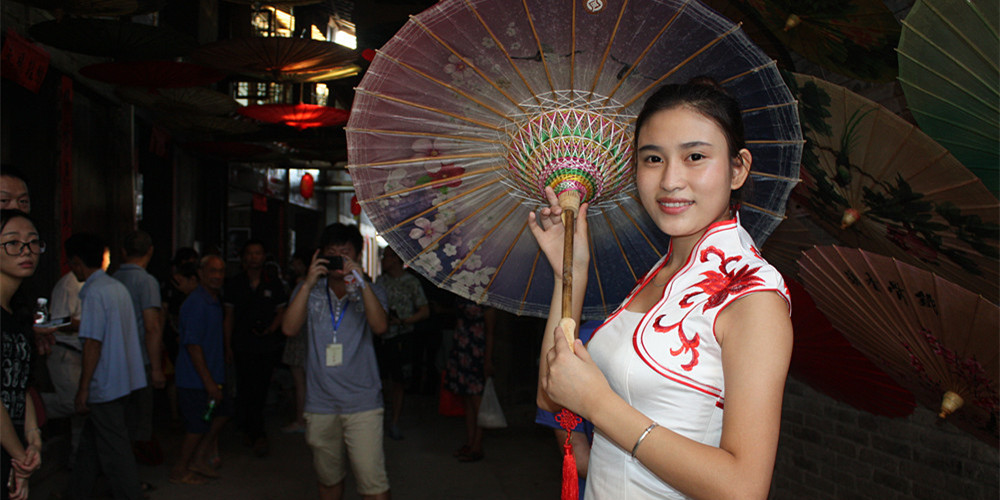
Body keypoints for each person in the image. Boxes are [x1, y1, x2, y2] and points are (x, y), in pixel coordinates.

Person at [531, 79, 793, 499]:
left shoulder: (751, 298)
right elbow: (552, 395)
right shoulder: (658, 275)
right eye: (653, 158)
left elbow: (744, 488)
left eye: (695, 156)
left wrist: (599, 406)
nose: (671, 180)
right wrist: (572, 274)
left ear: (738, 168)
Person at [281, 223, 391, 500]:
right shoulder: (309, 291)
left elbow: (380, 327)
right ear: (320, 255)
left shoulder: (372, 291)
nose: (338, 259)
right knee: (328, 481)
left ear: (357, 256)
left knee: (373, 485)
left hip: (363, 402)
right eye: (332, 253)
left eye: (345, 253)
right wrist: (307, 282)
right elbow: (289, 329)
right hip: (320, 403)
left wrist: (360, 281)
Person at [66, 232, 148, 500]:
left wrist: (83, 389)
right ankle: (77, 491)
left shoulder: (94, 293)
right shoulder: (115, 288)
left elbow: (93, 343)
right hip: (124, 382)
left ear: (78, 262)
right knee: (92, 445)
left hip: (107, 385)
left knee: (115, 451)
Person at [170, 254, 231, 485]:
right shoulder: (195, 303)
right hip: (195, 379)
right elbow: (193, 346)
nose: (217, 276)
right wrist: (208, 382)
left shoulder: (213, 300)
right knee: (196, 426)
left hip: (212, 374)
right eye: (212, 271)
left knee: (223, 414)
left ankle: (198, 459)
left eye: (221, 271)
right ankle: (180, 469)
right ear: (201, 274)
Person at [225, 239, 287, 457]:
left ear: (264, 257)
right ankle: (249, 428)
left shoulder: (274, 283)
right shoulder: (234, 283)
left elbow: (281, 312)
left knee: (261, 388)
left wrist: (270, 329)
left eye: (258, 253)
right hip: (242, 344)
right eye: (250, 253)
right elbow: (229, 316)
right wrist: (227, 345)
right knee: (244, 387)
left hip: (266, 345)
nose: (254, 257)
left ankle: (256, 431)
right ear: (244, 257)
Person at [0, 209, 44, 500]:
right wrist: (21, 458)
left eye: (32, 242)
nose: (25, 251)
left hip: (11, 445)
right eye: (13, 243)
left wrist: (33, 437)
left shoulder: (18, 315)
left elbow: (21, 384)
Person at [112, 230, 164, 468]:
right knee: (137, 422)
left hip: (113, 360)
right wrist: (156, 368)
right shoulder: (147, 281)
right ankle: (127, 476)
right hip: (138, 362)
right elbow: (152, 327)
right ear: (150, 251)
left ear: (123, 252)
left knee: (119, 420)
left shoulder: (112, 278)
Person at [374, 246, 428, 440]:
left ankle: (395, 421)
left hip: (402, 336)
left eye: (387, 256)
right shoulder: (380, 282)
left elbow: (424, 310)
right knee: (381, 380)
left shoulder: (411, 282)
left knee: (398, 381)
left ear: (396, 259)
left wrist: (404, 321)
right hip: (382, 337)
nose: (383, 260)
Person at [443, 297, 496, 463]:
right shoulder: (462, 289)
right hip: (461, 348)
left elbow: (490, 332)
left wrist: (487, 360)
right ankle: (470, 441)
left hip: (477, 352)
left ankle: (477, 445)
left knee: (476, 399)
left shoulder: (488, 297)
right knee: (466, 397)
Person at [280, 251, 310, 434]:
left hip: (300, 338)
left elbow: (290, 319)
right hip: (309, 338)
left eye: (297, 262)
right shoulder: (315, 285)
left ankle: (301, 419)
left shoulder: (303, 286)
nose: (294, 266)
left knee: (301, 383)